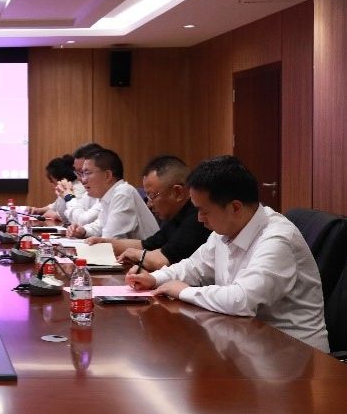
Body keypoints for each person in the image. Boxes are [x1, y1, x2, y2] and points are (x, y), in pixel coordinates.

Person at [126, 155, 329, 352]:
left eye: (204, 211)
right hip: (248, 340)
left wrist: (183, 291)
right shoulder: (226, 230)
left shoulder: (277, 239)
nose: (199, 219)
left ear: (235, 207)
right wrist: (155, 278)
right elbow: (194, 266)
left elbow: (241, 300)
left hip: (293, 352)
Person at [91, 155, 210, 269]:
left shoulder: (197, 218)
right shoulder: (175, 216)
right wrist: (105, 243)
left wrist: (136, 254)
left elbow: (163, 260)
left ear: (177, 192)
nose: (149, 204)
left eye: (152, 196)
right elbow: (147, 245)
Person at [65, 148, 159, 240]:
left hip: (149, 250)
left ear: (108, 175)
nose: (83, 180)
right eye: (82, 174)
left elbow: (110, 238)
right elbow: (101, 225)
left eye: (87, 173)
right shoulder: (109, 194)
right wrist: (83, 231)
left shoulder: (123, 193)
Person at [56, 142, 103, 226]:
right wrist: (63, 196)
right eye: (78, 172)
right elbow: (66, 218)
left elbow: (82, 221)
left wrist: (69, 196)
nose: (81, 179)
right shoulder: (88, 193)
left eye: (86, 172)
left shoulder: (116, 194)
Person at [27, 154, 84, 222]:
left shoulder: (78, 190)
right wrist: (38, 210)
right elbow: (56, 205)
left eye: (52, 181)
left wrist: (56, 215)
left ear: (62, 179)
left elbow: (75, 216)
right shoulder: (67, 187)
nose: (51, 185)